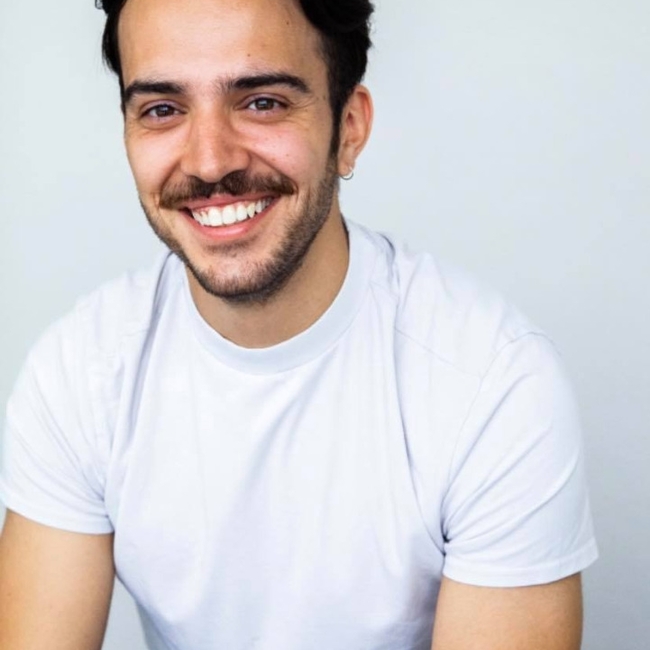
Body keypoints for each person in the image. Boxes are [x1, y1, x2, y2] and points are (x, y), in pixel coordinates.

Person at [0, 0, 598, 648]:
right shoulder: (81, 373)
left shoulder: (493, 387)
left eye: (262, 102)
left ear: (349, 129)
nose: (209, 162)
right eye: (163, 110)